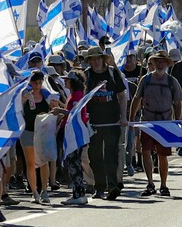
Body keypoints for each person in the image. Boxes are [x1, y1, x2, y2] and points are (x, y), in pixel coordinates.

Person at [130, 50, 182, 197]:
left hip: (165, 123)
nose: (160, 64)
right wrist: (132, 118)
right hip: (147, 121)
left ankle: (164, 185)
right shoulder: (145, 80)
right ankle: (150, 183)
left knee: (162, 155)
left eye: (163, 61)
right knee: (145, 151)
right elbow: (137, 99)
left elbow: (178, 103)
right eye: (157, 61)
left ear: (167, 63)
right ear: (153, 63)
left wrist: (177, 121)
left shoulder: (172, 81)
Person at [84, 47, 128, 201]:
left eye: (98, 58)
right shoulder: (87, 76)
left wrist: (123, 117)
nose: (96, 62)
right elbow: (81, 100)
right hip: (94, 124)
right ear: (89, 61)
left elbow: (122, 96)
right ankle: (99, 187)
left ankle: (113, 186)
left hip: (112, 122)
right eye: (93, 59)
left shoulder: (112, 73)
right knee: (94, 156)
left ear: (103, 59)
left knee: (111, 155)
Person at [20, 71, 60, 203]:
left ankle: (44, 190)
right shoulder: (24, 95)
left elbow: (55, 109)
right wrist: (24, 99)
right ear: (30, 83)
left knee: (43, 161)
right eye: (35, 83)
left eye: (40, 82)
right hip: (28, 131)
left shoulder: (47, 95)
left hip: (42, 132)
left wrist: (55, 108)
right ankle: (34, 191)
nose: (37, 85)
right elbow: (16, 110)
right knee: (31, 163)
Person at [57, 71, 90, 206]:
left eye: (67, 80)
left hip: (73, 132)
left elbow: (74, 113)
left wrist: (60, 111)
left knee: (73, 162)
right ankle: (79, 192)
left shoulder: (77, 95)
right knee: (73, 162)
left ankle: (78, 193)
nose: (65, 82)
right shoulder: (74, 94)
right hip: (71, 131)